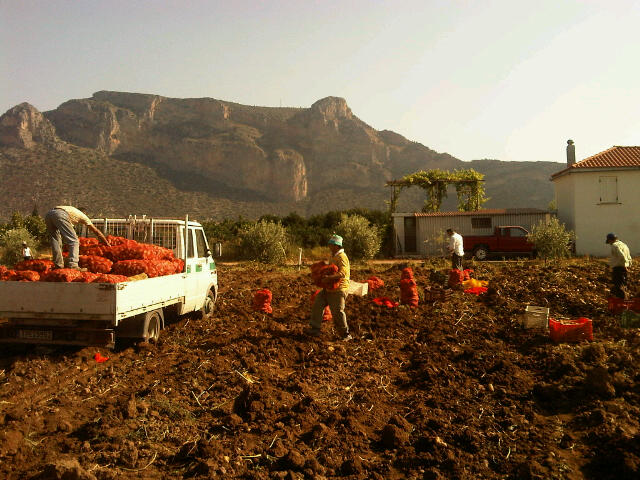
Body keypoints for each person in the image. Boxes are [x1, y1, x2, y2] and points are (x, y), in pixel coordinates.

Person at [307, 234, 351, 341]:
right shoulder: (333, 255)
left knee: (337, 312)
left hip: (339, 289)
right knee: (318, 303)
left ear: (336, 245)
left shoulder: (342, 257)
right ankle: (315, 329)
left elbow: (343, 273)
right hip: (329, 288)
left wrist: (329, 278)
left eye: (331, 244)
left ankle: (345, 334)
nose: (329, 246)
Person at [44, 206, 110, 270]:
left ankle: (58, 265)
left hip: (49, 214)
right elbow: (96, 231)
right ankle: (73, 265)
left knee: (55, 240)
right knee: (74, 241)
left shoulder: (72, 210)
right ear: (84, 213)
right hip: (60, 214)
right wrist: (106, 243)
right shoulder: (83, 216)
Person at [606, 233, 632, 299]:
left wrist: (623, 265)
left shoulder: (614, 245)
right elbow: (629, 257)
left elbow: (622, 256)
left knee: (618, 286)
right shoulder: (624, 245)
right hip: (624, 268)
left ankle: (622, 303)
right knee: (624, 285)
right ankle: (625, 301)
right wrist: (627, 265)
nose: (609, 243)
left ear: (610, 240)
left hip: (618, 268)